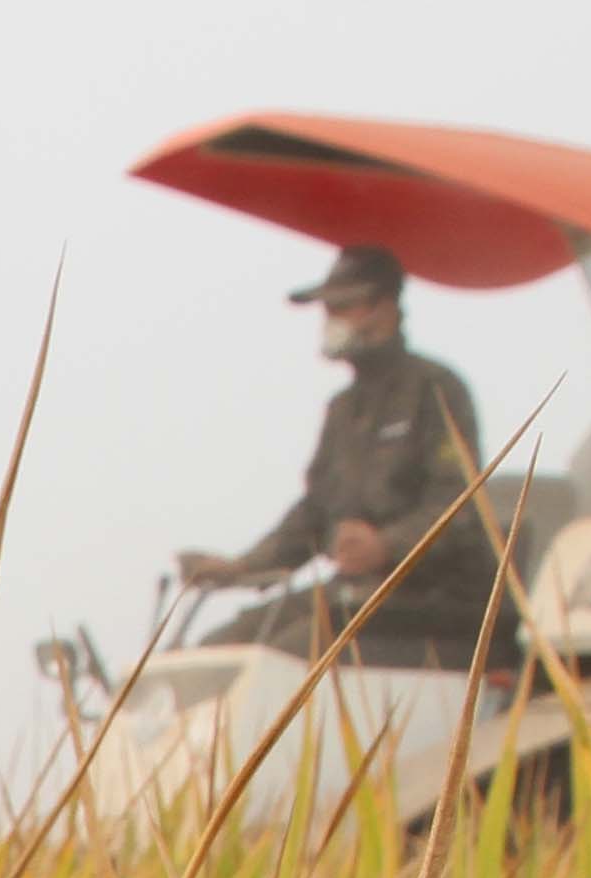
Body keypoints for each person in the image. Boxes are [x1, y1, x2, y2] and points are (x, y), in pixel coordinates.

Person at [176, 244, 502, 666]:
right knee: (218, 653)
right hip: (353, 591)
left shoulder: (436, 389)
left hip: (435, 598)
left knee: (278, 660)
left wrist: (385, 545)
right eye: (327, 311)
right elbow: (313, 515)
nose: (330, 322)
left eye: (342, 308)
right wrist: (238, 568)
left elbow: (458, 506)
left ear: (384, 310)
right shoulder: (343, 410)